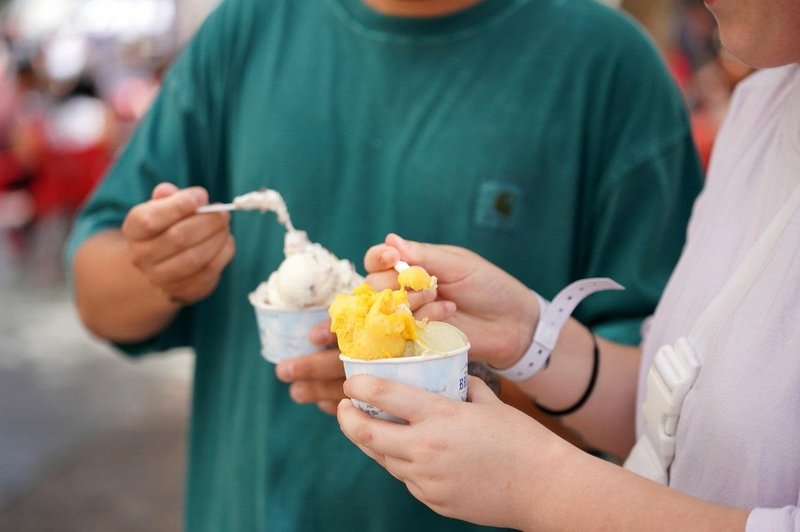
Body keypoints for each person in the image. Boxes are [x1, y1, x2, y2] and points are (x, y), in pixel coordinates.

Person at [66, 0, 702, 530]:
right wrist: (159, 269)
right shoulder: (246, 29)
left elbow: (669, 415)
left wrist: (459, 383)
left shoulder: (609, 68)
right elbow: (98, 295)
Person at [337, 1, 800, 528]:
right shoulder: (765, 103)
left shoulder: (612, 63)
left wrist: (540, 487)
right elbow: (677, 417)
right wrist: (529, 334)